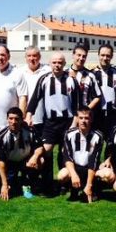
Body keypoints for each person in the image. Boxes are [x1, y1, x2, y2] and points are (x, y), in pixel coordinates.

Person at [25, 52, 79, 194]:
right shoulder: (44, 79)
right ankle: (39, 182)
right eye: (54, 62)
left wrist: (74, 124)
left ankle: (64, 184)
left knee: (65, 154)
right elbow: (35, 99)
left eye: (60, 62)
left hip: (67, 122)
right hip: (50, 123)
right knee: (44, 152)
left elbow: (77, 105)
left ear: (64, 64)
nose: (57, 65)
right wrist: (29, 115)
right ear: (50, 64)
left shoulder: (71, 80)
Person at [0, 107, 44, 201]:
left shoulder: (30, 130)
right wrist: (4, 185)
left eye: (17, 119)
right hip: (9, 162)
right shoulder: (0, 135)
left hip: (25, 161)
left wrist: (34, 157)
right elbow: (1, 162)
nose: (13, 122)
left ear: (22, 119)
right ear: (7, 119)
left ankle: (28, 183)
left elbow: (40, 147)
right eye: (10, 118)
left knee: (40, 160)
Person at [58, 107, 105, 203]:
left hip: (90, 170)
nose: (83, 121)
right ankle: (73, 188)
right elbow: (67, 157)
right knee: (62, 175)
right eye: (81, 118)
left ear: (91, 119)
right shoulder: (69, 134)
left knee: (107, 174)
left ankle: (92, 188)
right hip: (75, 168)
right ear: (77, 119)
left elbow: (93, 161)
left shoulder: (98, 136)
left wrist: (89, 185)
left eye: (86, 118)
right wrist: (74, 175)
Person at [20, 46, 50, 137]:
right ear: (25, 58)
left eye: (34, 56)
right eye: (29, 56)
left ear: (39, 57)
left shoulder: (48, 70)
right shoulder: (20, 71)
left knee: (45, 148)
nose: (32, 58)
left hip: (44, 118)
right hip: (26, 118)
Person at [92, 43, 116, 139]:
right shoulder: (91, 74)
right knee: (94, 145)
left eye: (108, 55)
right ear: (98, 55)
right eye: (102, 55)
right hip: (96, 115)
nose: (105, 58)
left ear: (112, 56)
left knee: (111, 146)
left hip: (112, 115)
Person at [69, 44, 102, 111]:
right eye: (79, 55)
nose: (81, 58)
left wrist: (87, 109)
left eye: (84, 56)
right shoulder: (65, 73)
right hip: (68, 115)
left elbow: (98, 96)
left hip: (83, 116)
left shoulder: (90, 75)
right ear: (73, 55)